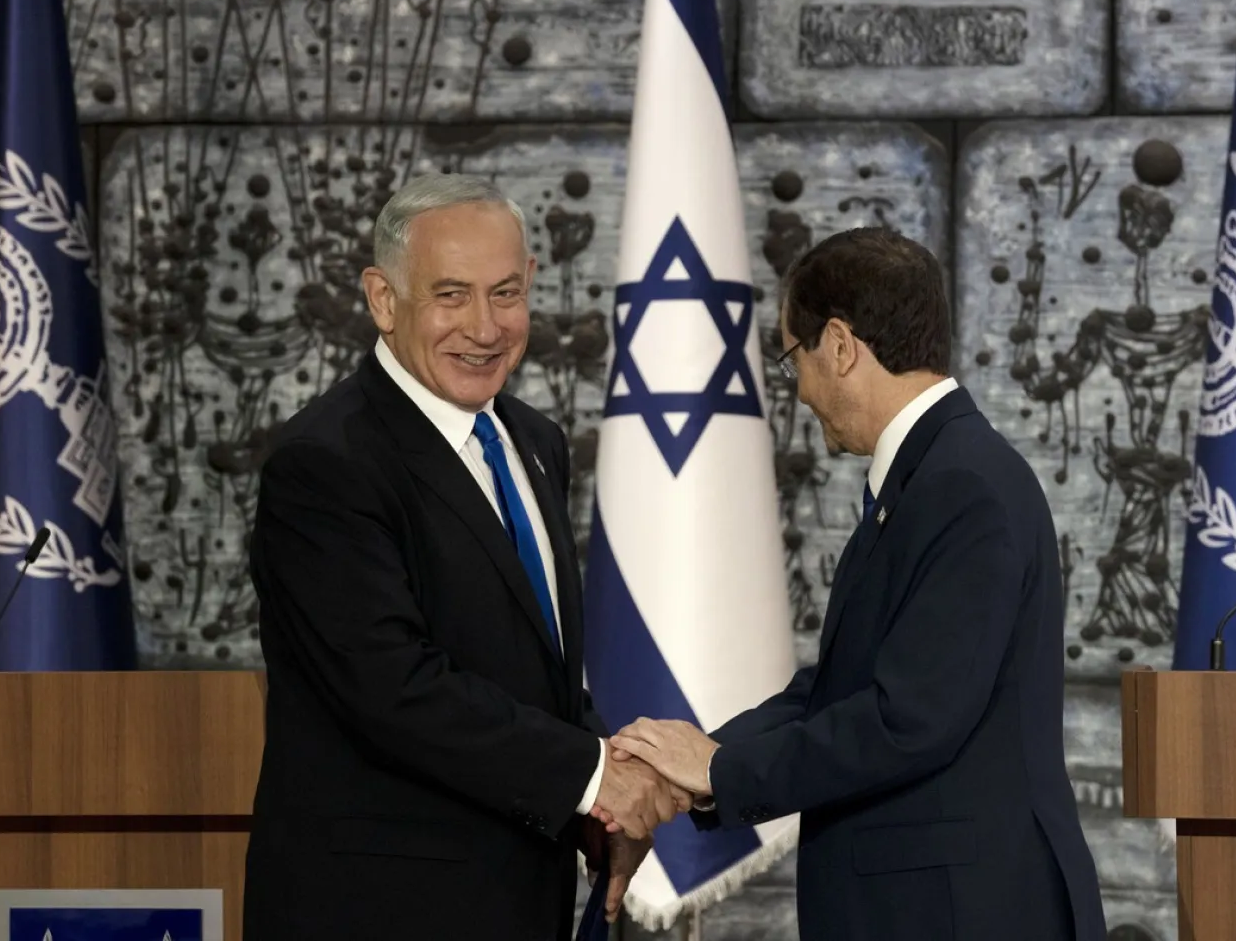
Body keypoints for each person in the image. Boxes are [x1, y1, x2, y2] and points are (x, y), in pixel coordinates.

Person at [604, 227, 1109, 940]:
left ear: (839, 346)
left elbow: (909, 719)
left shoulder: (959, 486)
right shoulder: (933, 473)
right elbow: (837, 687)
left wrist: (720, 771)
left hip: (963, 913)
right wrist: (695, 759)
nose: (802, 393)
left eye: (794, 359)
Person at [242, 173, 683, 941]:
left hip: (519, 902)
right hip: (381, 912)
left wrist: (601, 807)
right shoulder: (325, 463)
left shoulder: (535, 443)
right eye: (450, 296)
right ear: (383, 299)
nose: (484, 327)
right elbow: (392, 687)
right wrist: (589, 776)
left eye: (505, 294)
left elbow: (530, 667)